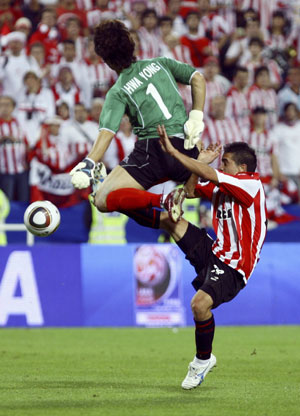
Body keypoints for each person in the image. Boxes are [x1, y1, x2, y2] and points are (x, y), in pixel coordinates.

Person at [156, 125, 267, 389]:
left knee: (199, 305)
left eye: (225, 162)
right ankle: (116, 202)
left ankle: (202, 360)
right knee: (169, 219)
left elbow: (207, 174)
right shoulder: (223, 187)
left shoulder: (249, 184)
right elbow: (192, 191)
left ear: (241, 167)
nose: (220, 165)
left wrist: (178, 154)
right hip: (215, 252)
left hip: (234, 267)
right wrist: (198, 166)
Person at [70, 19, 206, 226]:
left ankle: (162, 206)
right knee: (198, 187)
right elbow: (198, 78)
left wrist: (88, 164)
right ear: (131, 44)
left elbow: (107, 132)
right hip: (186, 151)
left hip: (154, 151)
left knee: (102, 199)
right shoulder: (161, 63)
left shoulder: (118, 91)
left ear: (105, 60)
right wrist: (196, 116)